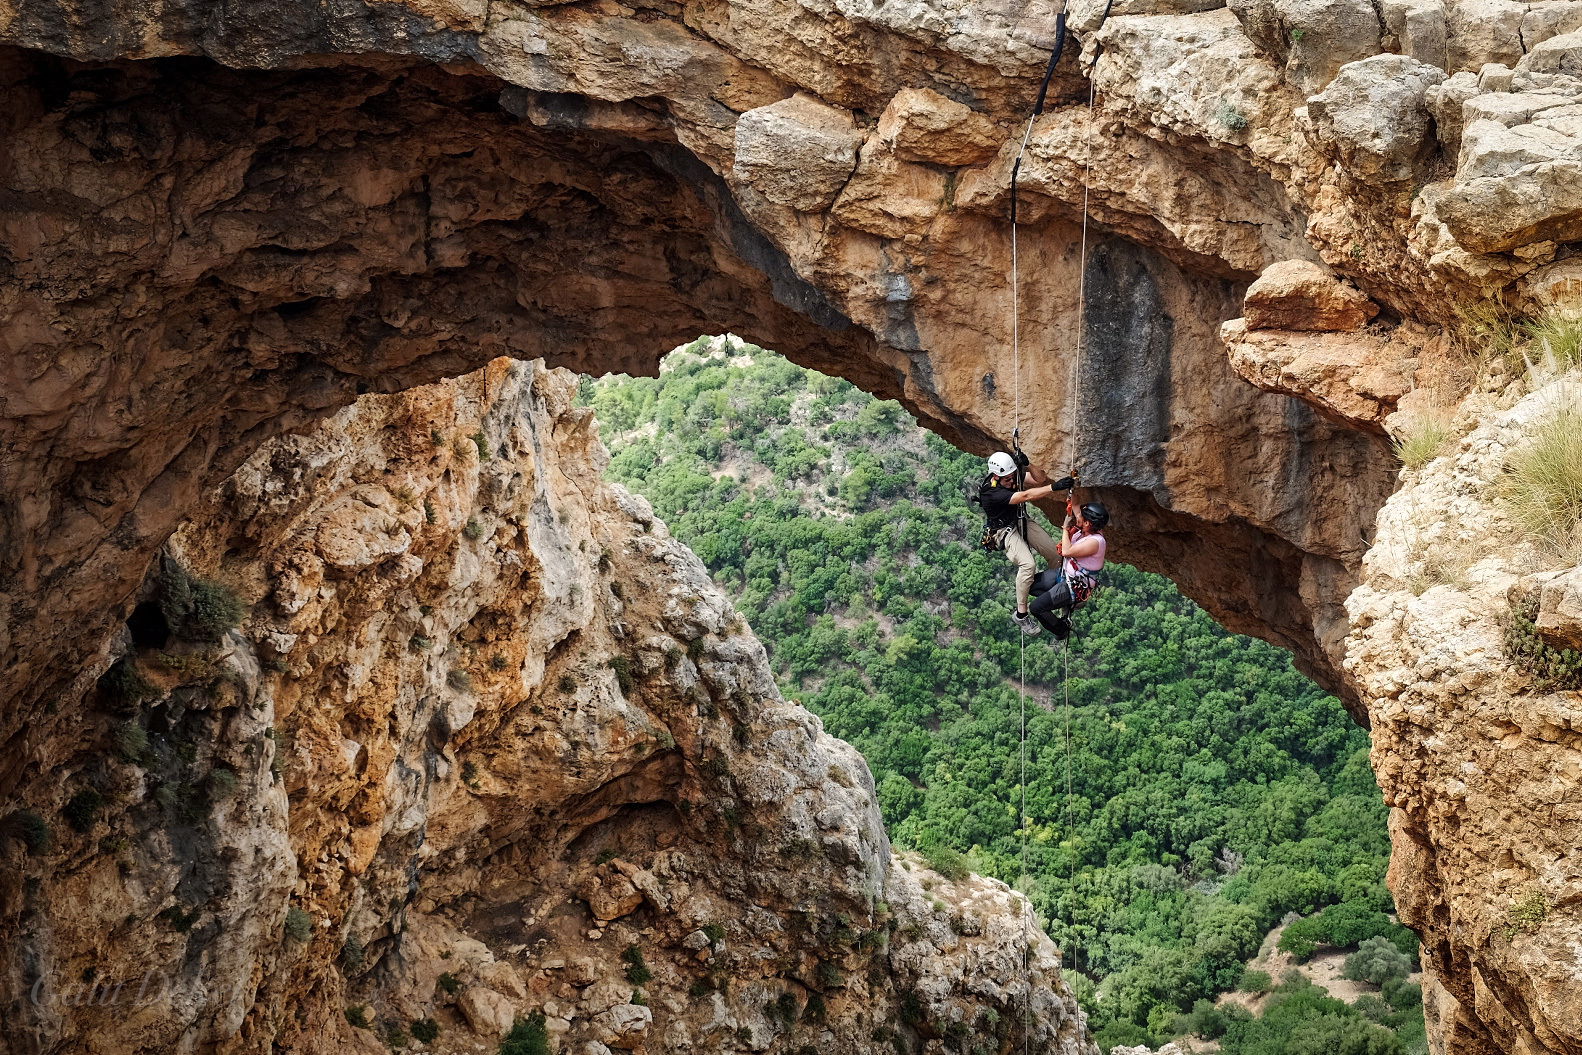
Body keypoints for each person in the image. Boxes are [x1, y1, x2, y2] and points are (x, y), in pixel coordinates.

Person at [976, 451, 1075, 635]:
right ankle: (1021, 614)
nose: (1011, 479)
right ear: (996, 476)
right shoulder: (991, 492)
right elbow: (1025, 496)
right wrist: (1055, 487)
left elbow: (1039, 479)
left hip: (1021, 520)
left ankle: (1059, 596)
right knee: (1028, 564)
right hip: (1003, 531)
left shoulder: (1011, 475)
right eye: (1007, 477)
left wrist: (1029, 464)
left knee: (1056, 555)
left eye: (1012, 475)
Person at [1028, 498, 1109, 640]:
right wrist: (1072, 488)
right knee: (1029, 585)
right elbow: (1076, 505)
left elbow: (1066, 551)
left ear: (1087, 523)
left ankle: (1061, 629)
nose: (1078, 517)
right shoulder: (1082, 531)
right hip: (1063, 575)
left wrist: (1065, 528)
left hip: (1073, 586)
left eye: (1081, 517)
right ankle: (1060, 600)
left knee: (1036, 608)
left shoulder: (1095, 542)